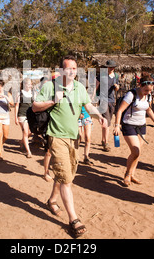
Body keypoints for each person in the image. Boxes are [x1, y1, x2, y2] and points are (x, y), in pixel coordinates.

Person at [32, 55, 107, 238]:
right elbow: (35, 107)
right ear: (61, 70)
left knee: (66, 174)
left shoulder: (79, 87)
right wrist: (52, 102)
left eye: (74, 68)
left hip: (74, 138)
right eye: (68, 68)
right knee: (66, 179)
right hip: (56, 137)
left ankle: (52, 200)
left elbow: (87, 105)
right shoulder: (51, 86)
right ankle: (74, 219)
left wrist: (100, 116)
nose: (72, 71)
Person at [113, 73, 154, 187]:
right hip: (128, 125)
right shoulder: (131, 95)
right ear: (140, 85)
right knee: (135, 151)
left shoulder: (148, 96)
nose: (148, 92)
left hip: (142, 126)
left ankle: (131, 174)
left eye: (150, 90)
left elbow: (148, 109)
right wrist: (117, 125)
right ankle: (127, 174)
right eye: (146, 90)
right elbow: (120, 111)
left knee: (138, 153)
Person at [95, 60, 119, 152]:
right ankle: (106, 143)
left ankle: (103, 139)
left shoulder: (116, 76)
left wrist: (117, 87)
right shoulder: (101, 75)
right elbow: (96, 86)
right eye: (111, 67)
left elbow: (117, 88)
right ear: (107, 67)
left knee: (107, 122)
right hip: (103, 100)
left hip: (112, 101)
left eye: (113, 67)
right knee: (106, 121)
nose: (112, 68)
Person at [15, 78, 34, 158]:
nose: (30, 86)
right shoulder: (20, 94)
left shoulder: (33, 93)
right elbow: (16, 106)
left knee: (30, 133)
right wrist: (15, 117)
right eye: (28, 84)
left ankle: (21, 141)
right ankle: (28, 152)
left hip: (31, 115)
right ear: (24, 85)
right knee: (25, 132)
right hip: (22, 115)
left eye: (30, 84)